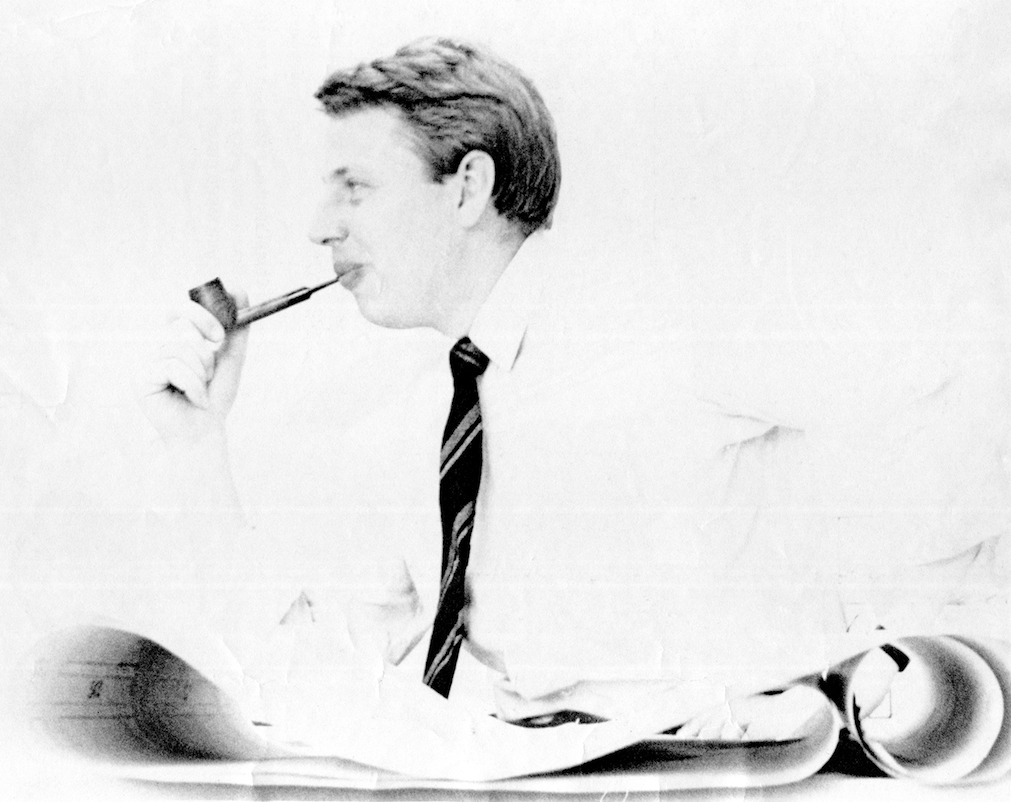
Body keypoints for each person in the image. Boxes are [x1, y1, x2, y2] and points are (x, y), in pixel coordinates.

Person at [139, 36, 1009, 731]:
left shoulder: (671, 314)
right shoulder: (417, 420)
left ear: (467, 188)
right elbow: (309, 672)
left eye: (355, 188)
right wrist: (195, 448)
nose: (318, 227)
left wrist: (851, 639)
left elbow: (965, 421)